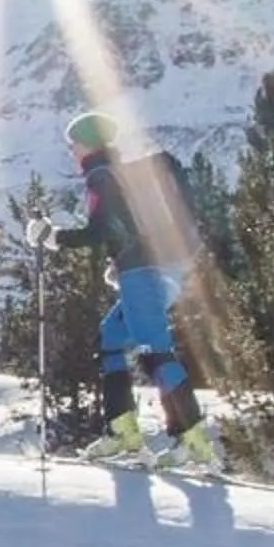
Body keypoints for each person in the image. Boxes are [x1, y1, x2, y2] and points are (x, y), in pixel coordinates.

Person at [53, 111, 215, 470]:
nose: (71, 151)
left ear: (88, 144)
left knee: (155, 352)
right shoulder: (118, 173)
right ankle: (123, 431)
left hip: (142, 274)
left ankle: (192, 440)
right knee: (112, 335)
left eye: (73, 144)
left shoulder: (100, 177)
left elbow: (99, 231)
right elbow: (125, 228)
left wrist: (54, 237)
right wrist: (122, 260)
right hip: (147, 270)